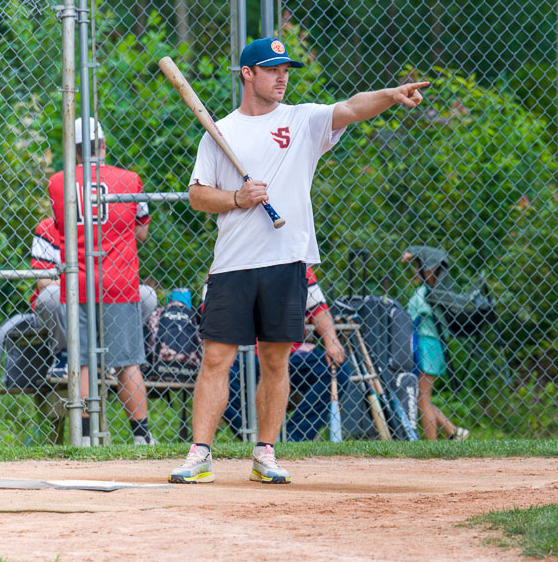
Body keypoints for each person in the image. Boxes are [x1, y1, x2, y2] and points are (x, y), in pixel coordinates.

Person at [169, 37, 428, 484]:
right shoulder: (221, 131)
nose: (282, 77)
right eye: (272, 70)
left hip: (286, 260)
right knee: (216, 358)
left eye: (285, 69)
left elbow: (351, 107)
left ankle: (264, 453)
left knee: (275, 359)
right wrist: (236, 197)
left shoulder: (302, 120)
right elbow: (196, 195)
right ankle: (200, 454)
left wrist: (390, 94)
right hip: (232, 264)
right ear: (248, 74)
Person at [47, 117, 155, 445]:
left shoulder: (58, 182)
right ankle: (141, 435)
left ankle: (84, 435)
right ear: (103, 146)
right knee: (126, 361)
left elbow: (58, 227)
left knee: (80, 359)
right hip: (119, 279)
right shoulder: (130, 180)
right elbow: (141, 230)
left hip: (77, 280)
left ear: (74, 150)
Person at [222, 267, 347, 441]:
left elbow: (318, 308)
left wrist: (331, 340)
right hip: (243, 351)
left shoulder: (296, 261)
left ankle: (291, 439)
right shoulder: (231, 258)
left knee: (336, 370)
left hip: (289, 351)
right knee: (219, 375)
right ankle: (256, 437)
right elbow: (212, 313)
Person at [32, 217, 158, 379]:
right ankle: (66, 356)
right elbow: (44, 281)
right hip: (70, 297)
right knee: (51, 296)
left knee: (147, 295)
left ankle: (111, 355)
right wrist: (84, 285)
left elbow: (123, 275)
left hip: (104, 295)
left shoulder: (109, 225)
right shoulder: (48, 226)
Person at [401, 248, 469, 441]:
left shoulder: (428, 294)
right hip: (429, 347)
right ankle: (454, 432)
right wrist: (413, 252)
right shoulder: (436, 293)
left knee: (422, 399)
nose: (415, 271)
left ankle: (432, 445)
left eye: (418, 266)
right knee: (422, 399)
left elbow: (409, 317)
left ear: (429, 270)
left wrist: (412, 252)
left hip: (428, 347)